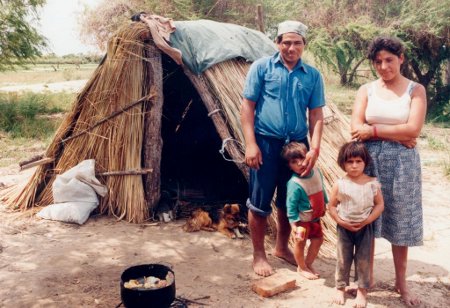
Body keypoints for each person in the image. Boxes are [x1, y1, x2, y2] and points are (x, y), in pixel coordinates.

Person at [240, 20, 325, 276]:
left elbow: (317, 115)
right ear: (277, 43)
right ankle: (258, 255)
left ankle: (282, 248)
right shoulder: (262, 68)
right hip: (265, 142)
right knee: (259, 200)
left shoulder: (312, 76)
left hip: (298, 146)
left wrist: (315, 148)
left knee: (291, 198)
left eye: (296, 42)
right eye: (286, 42)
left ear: (303, 45)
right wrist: (251, 143)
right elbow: (247, 107)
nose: (291, 47)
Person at [351, 36, 427, 305]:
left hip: (404, 164)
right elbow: (356, 127)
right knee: (367, 222)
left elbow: (413, 129)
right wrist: (395, 134)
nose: (383, 66)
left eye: (389, 60)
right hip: (369, 161)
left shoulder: (415, 90)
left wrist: (373, 130)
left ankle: (401, 284)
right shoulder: (366, 90)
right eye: (378, 61)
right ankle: (364, 285)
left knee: (400, 222)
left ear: (401, 59)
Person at [328, 141, 384, 308]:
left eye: (358, 161)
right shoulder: (340, 184)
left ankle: (362, 291)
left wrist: (367, 220)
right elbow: (331, 206)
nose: (354, 166)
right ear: (342, 163)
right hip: (344, 228)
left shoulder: (372, 183)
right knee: (343, 258)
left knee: (363, 260)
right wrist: (340, 221)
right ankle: (340, 287)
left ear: (365, 162)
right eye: (349, 162)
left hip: (365, 228)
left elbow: (380, 205)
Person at [281, 142, 328, 280]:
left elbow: (322, 189)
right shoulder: (294, 183)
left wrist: (324, 204)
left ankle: (308, 264)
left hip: (315, 219)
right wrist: (293, 224)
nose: (300, 164)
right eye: (294, 162)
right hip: (302, 221)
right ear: (289, 166)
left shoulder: (317, 172)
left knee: (318, 240)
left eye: (302, 158)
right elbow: (291, 205)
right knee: (300, 243)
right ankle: (301, 267)